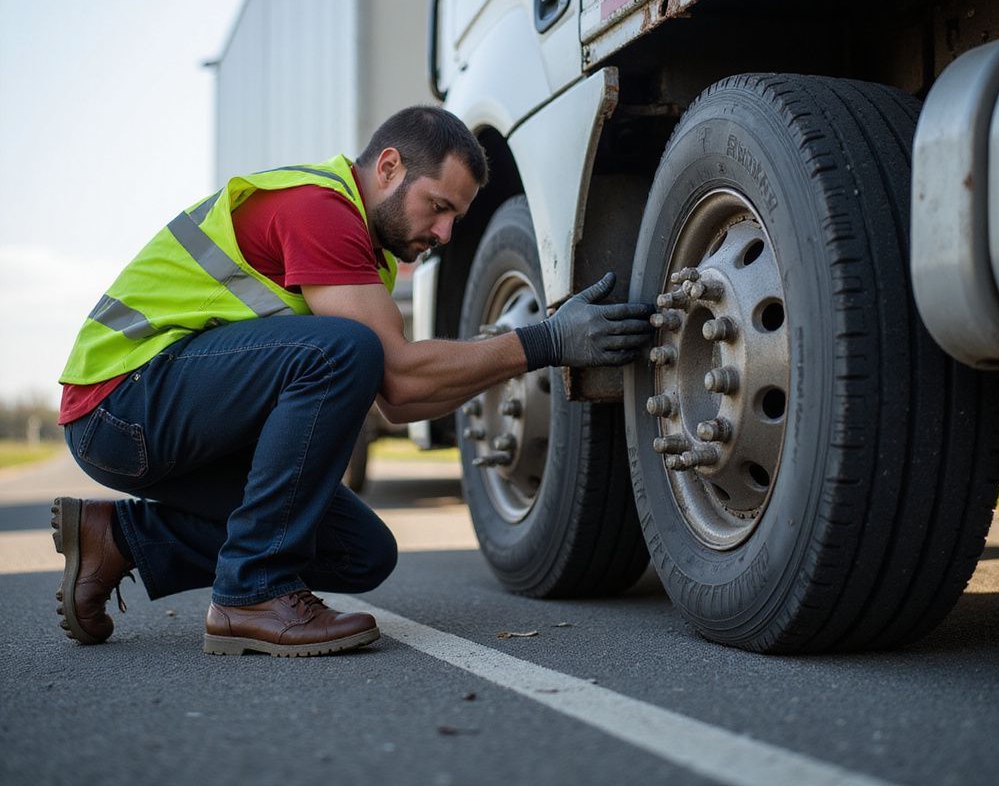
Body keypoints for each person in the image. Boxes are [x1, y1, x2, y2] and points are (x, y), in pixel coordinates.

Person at [54, 106, 653, 657]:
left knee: (361, 552)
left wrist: (536, 348)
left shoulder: (367, 250)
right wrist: (546, 341)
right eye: (439, 207)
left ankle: (118, 538)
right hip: (117, 405)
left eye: (456, 219)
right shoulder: (318, 207)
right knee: (345, 350)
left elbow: (399, 401)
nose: (444, 235)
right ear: (389, 166)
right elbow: (397, 375)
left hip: (160, 422)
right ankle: (251, 592)